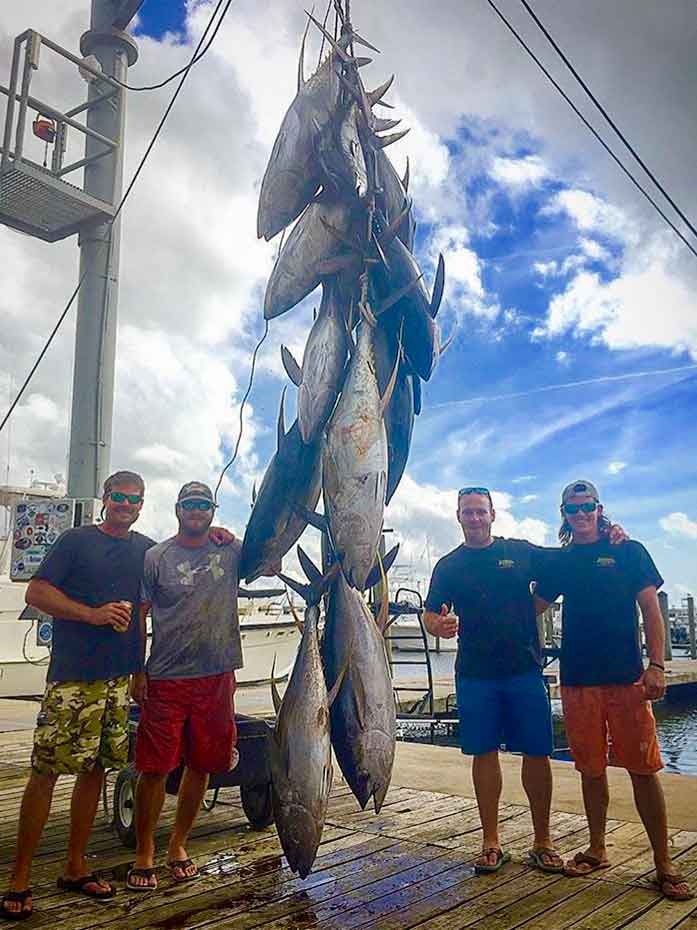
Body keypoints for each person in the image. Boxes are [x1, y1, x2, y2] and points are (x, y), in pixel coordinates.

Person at [0, 471, 151, 920]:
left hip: (118, 681)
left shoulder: (145, 550)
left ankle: (75, 866)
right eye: (119, 497)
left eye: (134, 499)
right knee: (45, 772)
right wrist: (92, 614)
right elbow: (37, 591)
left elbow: (142, 614)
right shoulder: (74, 541)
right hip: (72, 677)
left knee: (97, 771)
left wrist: (140, 670)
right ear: (105, 499)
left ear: (142, 504)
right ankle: (19, 878)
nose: (126, 504)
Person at [534, 480, 693, 902]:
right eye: (573, 509)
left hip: (627, 680)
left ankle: (663, 863)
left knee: (644, 769)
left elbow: (651, 610)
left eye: (587, 507)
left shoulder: (629, 550)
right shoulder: (562, 561)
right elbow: (530, 607)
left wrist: (656, 665)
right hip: (578, 681)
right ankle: (598, 848)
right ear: (563, 514)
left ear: (599, 509)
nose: (581, 514)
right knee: (590, 769)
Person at [127, 481, 243, 892]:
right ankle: (144, 851)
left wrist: (235, 535)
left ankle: (178, 844)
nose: (196, 510)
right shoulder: (155, 557)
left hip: (217, 674)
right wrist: (137, 670)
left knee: (202, 763)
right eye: (189, 504)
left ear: (213, 510)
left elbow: (272, 563)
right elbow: (139, 616)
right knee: (154, 767)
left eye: (204, 504)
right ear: (177, 509)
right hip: (166, 676)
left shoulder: (230, 549)